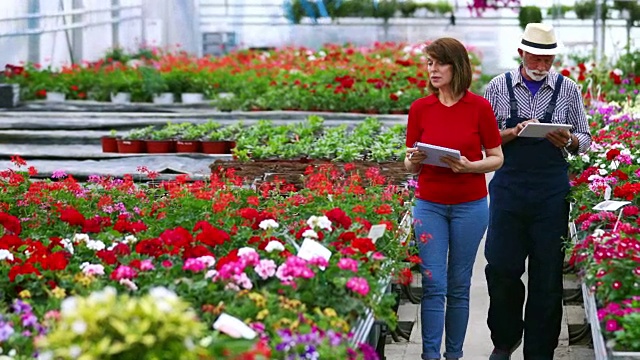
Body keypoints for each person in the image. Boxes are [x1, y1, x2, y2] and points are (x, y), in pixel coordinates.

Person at [482, 23, 592, 360]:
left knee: (547, 275)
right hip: (509, 190)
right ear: (521, 53)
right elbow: (481, 140)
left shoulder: (568, 89)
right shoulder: (497, 87)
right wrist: (513, 132)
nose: (542, 65)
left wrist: (569, 141)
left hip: (550, 194)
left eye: (548, 58)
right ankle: (505, 338)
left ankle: (539, 351)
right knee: (500, 266)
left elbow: (585, 139)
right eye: (536, 57)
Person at [404, 37, 504, 360]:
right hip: (429, 204)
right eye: (429, 63)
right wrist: (413, 160)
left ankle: (454, 355)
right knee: (433, 284)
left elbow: (497, 157)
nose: (433, 70)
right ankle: (430, 355)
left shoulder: (479, 108)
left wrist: (469, 167)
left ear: (457, 66)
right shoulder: (420, 108)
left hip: (470, 207)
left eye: (439, 63)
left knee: (458, 286)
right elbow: (409, 161)